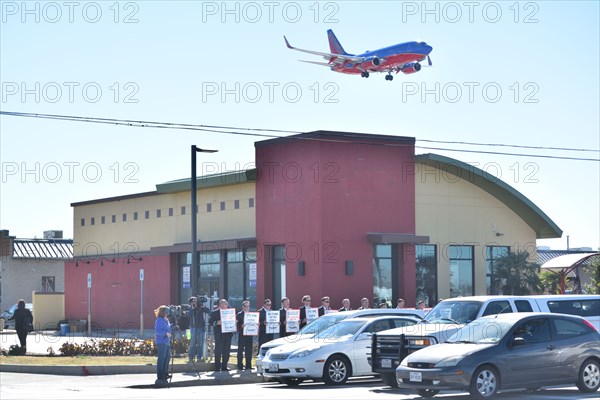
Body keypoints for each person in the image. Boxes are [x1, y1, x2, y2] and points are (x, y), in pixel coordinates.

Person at [209, 298, 234, 371]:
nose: (224, 305)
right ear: (219, 305)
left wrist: (234, 322)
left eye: (225, 304)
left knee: (226, 351)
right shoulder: (215, 313)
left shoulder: (230, 313)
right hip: (219, 334)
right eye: (222, 304)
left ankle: (224, 366)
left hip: (228, 334)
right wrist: (216, 323)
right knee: (218, 350)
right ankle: (217, 367)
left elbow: (234, 322)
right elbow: (211, 322)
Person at [154, 305, 172, 385]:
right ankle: (160, 375)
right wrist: (165, 333)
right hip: (161, 341)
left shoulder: (166, 320)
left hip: (167, 341)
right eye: (166, 311)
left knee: (168, 357)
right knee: (162, 358)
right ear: (162, 312)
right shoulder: (159, 320)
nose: (167, 313)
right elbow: (157, 331)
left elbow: (169, 329)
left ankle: (165, 373)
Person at [187, 296, 208, 363]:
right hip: (193, 328)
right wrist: (192, 308)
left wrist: (203, 307)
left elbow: (209, 311)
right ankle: (191, 357)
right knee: (192, 343)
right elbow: (188, 315)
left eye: (196, 301)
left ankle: (199, 357)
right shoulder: (190, 308)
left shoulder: (200, 307)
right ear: (191, 302)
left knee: (200, 343)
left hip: (201, 327)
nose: (195, 302)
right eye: (193, 301)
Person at [236, 300, 253, 371]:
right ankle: (240, 365)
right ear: (243, 307)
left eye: (248, 306)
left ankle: (248, 365)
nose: (247, 307)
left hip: (249, 335)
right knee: (240, 351)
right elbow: (236, 325)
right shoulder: (239, 314)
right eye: (246, 306)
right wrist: (241, 326)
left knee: (249, 351)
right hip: (242, 335)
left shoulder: (252, 315)